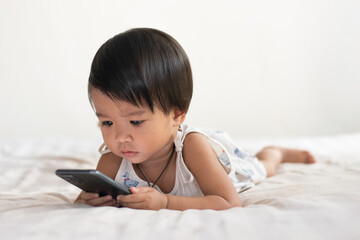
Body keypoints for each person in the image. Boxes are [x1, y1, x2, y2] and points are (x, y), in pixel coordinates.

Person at [75, 28, 316, 210]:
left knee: (262, 168)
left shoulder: (193, 148)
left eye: (136, 122)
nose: (119, 137)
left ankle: (275, 152)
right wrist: (90, 198)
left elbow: (228, 202)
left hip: (228, 166)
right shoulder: (112, 156)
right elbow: (86, 199)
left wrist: (166, 202)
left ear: (177, 114)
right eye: (107, 123)